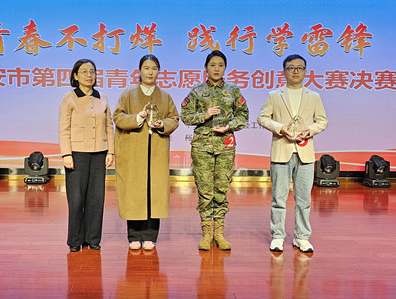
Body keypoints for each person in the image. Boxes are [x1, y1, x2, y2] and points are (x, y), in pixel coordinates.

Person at [257, 54, 328, 254]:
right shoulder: (274, 95)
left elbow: (322, 120)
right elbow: (263, 117)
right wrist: (280, 128)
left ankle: (302, 237)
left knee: (304, 199)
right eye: (291, 67)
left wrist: (310, 130)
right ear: (284, 71)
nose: (295, 71)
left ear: (305, 71)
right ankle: (278, 236)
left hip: (305, 152)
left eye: (299, 68)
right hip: (282, 150)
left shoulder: (314, 96)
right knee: (279, 198)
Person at [181, 50, 248, 251]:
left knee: (221, 189)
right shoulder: (197, 91)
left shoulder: (233, 90)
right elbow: (185, 116)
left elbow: (243, 116)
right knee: (204, 190)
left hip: (225, 146)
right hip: (202, 147)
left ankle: (219, 233)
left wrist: (229, 126)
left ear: (225, 68)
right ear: (206, 68)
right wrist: (204, 115)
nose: (216, 69)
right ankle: (206, 233)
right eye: (212, 65)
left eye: (220, 65)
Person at [113, 54, 179, 251]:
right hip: (134, 152)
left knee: (154, 192)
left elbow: (174, 119)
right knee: (134, 192)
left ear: (159, 71)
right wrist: (138, 118)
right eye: (147, 68)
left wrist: (161, 124)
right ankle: (134, 235)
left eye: (154, 68)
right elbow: (118, 117)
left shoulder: (165, 96)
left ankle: (150, 236)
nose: (150, 72)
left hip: (156, 151)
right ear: (139, 71)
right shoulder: (128, 93)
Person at [59, 59, 115, 252]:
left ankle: (93, 238)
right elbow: (64, 128)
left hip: (99, 154)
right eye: (84, 72)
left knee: (96, 198)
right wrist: (66, 154)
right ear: (75, 76)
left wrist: (110, 151)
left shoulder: (102, 98)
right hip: (77, 154)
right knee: (76, 200)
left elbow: (109, 127)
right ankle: (75, 240)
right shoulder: (70, 97)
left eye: (92, 71)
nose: (89, 75)